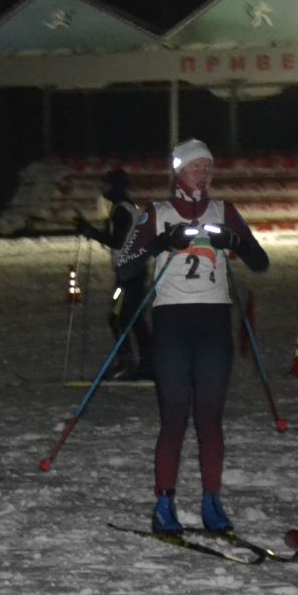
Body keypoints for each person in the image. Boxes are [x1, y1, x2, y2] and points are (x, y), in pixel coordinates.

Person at [115, 139, 268, 534]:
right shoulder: (158, 212)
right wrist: (161, 242)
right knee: (174, 417)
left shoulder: (224, 211)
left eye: (207, 167)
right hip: (172, 325)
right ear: (178, 172)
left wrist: (234, 242)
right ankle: (164, 503)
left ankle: (211, 502)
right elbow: (125, 268)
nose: (203, 174)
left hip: (214, 323)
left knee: (210, 419)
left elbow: (260, 262)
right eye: (195, 167)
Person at [76, 168, 151, 380]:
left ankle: (128, 361)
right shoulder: (128, 208)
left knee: (118, 316)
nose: (103, 189)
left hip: (129, 274)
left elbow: (116, 240)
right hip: (133, 271)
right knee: (133, 318)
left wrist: (91, 232)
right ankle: (146, 362)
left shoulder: (121, 211)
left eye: (107, 185)